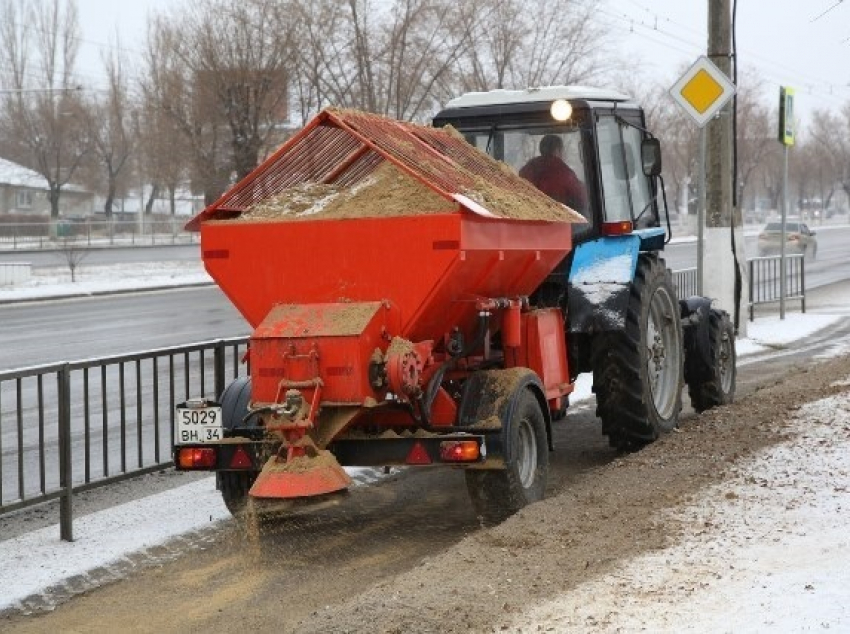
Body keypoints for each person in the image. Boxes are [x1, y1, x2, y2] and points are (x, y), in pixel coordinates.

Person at [519, 134, 587, 211]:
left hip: (529, 217)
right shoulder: (561, 171)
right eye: (562, 150)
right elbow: (581, 196)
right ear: (557, 150)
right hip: (556, 218)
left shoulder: (526, 170)